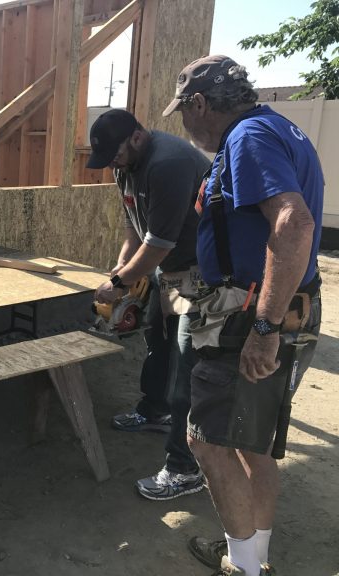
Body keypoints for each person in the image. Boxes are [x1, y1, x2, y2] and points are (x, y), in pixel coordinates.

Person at [163, 55, 323, 576]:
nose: (184, 124)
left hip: (252, 314)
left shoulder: (248, 138)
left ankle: (244, 568)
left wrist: (264, 328)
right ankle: (253, 558)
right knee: (252, 445)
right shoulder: (279, 128)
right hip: (283, 306)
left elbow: (293, 224)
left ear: (200, 104)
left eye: (183, 111)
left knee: (207, 442)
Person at [87, 109, 210, 500]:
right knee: (157, 340)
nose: (113, 164)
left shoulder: (168, 163)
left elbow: (158, 243)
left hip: (203, 273)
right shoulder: (124, 166)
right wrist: (122, 266)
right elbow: (133, 227)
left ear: (137, 137)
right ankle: (154, 409)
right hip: (169, 269)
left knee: (187, 363)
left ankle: (185, 469)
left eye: (116, 155)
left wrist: (118, 283)